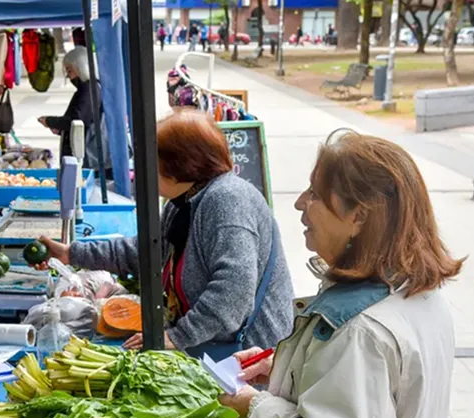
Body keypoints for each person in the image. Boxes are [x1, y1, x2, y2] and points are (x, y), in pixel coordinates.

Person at [220, 131, 464, 418]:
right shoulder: (415, 293)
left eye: (315, 193)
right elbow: (377, 407)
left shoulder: (362, 331)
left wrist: (252, 407)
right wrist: (292, 370)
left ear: (358, 216)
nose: (299, 206)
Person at [35, 110, 294, 359]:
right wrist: (71, 254)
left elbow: (232, 293)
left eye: (152, 161)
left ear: (179, 165)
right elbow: (144, 252)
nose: (144, 169)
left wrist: (177, 336)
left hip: (248, 359)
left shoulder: (228, 202)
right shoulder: (183, 201)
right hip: (213, 347)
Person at [37, 47, 105, 167]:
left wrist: (50, 121)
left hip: (83, 154)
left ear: (80, 68)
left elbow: (77, 120)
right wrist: (59, 127)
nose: (68, 77)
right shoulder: (90, 88)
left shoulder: (89, 89)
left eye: (69, 71)